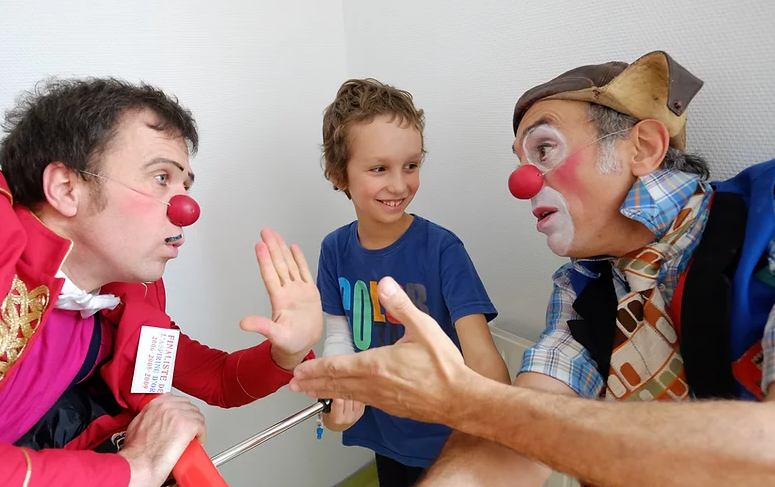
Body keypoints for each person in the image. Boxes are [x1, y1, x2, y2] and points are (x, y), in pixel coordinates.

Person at [289, 51, 775, 487]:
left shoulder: (766, 223)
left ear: (643, 147)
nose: (521, 181)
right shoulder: (581, 287)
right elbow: (516, 436)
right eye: (521, 159)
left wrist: (466, 402)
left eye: (543, 149)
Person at [0, 78, 321, 487]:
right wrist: (135, 468)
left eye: (185, 185)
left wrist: (287, 353)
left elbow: (220, 379)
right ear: (66, 188)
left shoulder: (120, 298)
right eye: (161, 177)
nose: (186, 208)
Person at [316, 78, 510, 486]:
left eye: (411, 165)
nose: (400, 185)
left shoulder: (443, 249)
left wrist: (496, 429)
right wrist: (335, 400)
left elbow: (484, 361)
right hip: (385, 436)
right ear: (338, 173)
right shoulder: (333, 250)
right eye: (379, 168)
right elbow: (338, 339)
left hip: (450, 440)